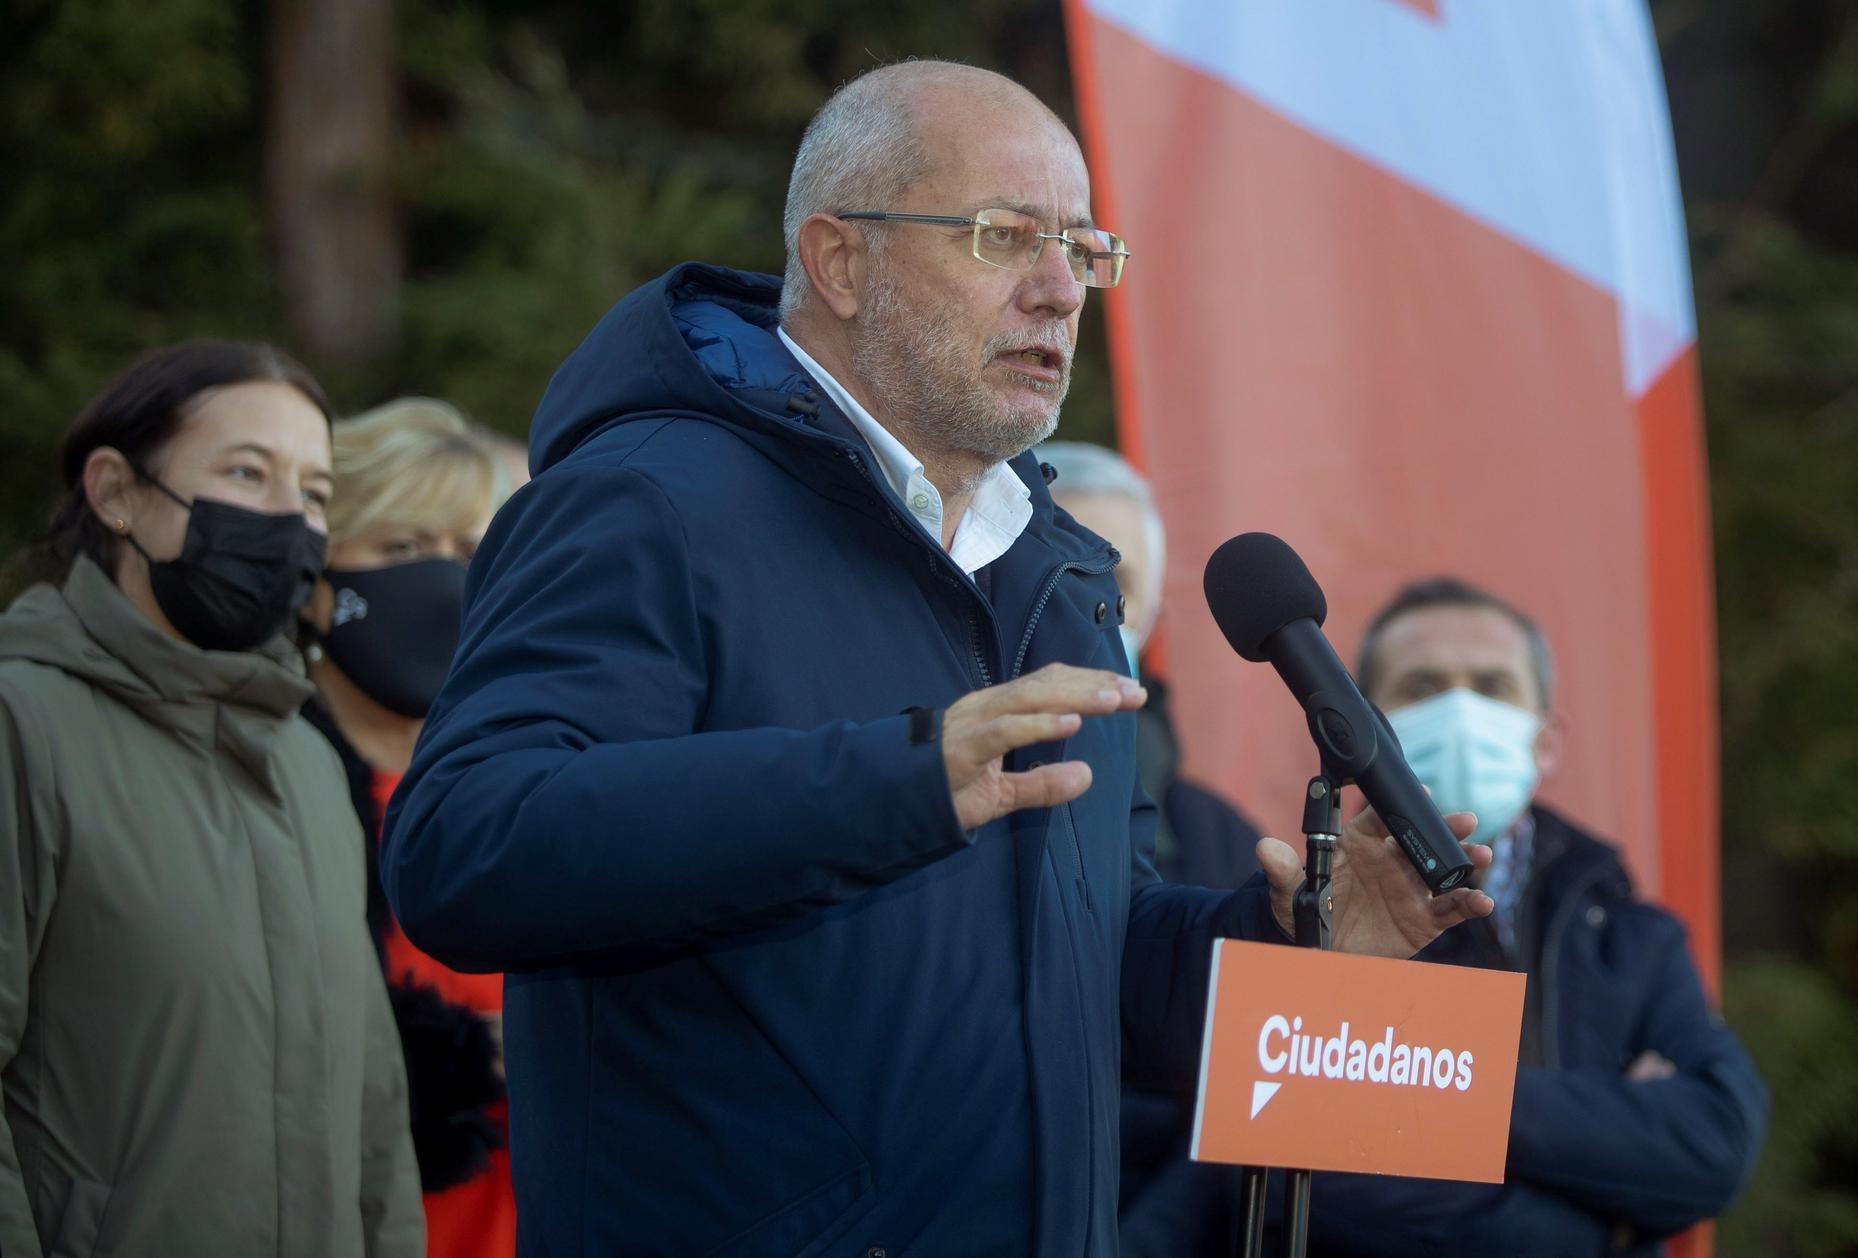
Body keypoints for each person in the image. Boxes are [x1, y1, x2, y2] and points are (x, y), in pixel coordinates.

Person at [381, 61, 1493, 1256]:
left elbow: (1091, 962)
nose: (1061, 290)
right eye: (1004, 236)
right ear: (840, 261)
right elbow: (464, 846)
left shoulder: (1059, 570)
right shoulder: (644, 500)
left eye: (1082, 247)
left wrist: (1294, 943)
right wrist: (892, 783)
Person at [1120, 576, 1770, 1257]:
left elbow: (1715, 1143)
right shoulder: (1305, 916)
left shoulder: (1637, 939)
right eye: (1424, 687)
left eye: (1492, 687)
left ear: (1546, 740)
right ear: (1362, 727)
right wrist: (1609, 1215)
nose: (1462, 710)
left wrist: (1417, 1092)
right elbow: (1311, 1180)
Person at [0, 340, 424, 1257]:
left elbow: (375, 1112)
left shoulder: (308, 760)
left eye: (313, 493)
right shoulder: (20, 724)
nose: (288, 520)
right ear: (115, 492)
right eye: (246, 472)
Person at [299, 398, 514, 1258]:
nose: (439, 581)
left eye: (468, 554)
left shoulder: (539, 789)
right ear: (315, 585)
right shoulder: (256, 799)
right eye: (401, 548)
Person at [1037, 439, 1261, 888]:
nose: (1086, 604)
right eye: (1053, 573)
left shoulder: (1222, 848)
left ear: (1153, 619)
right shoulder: (931, 793)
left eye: (1113, 582)